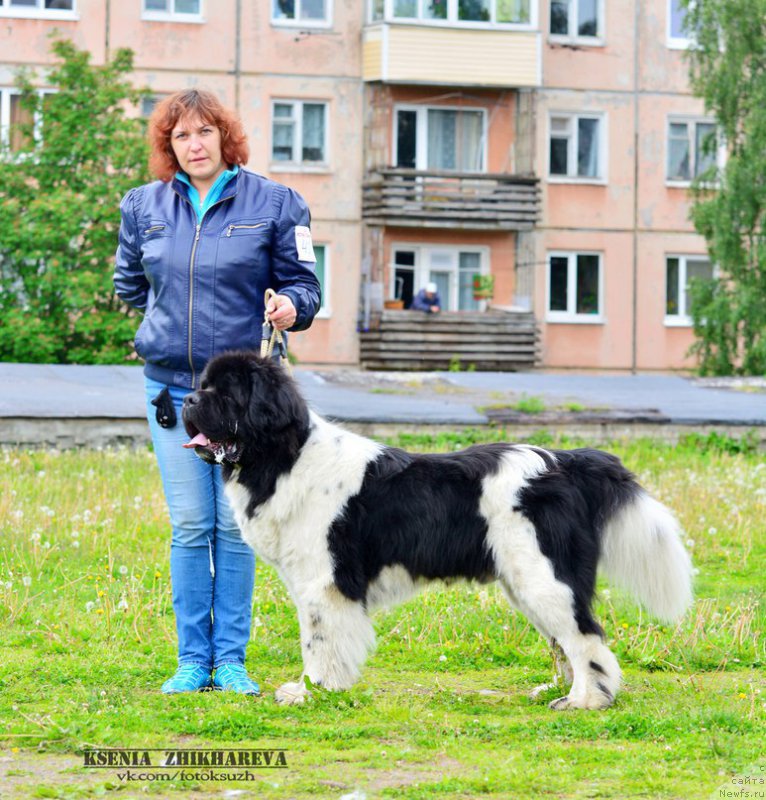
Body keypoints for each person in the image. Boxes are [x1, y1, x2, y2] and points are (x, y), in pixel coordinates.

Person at [114, 89, 321, 695]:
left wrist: (291, 306)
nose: (194, 144)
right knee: (190, 524)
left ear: (224, 138)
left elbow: (306, 286)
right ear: (168, 146)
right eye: (181, 136)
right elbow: (131, 282)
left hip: (243, 403)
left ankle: (230, 661)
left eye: (204, 132)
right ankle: (190, 662)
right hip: (171, 393)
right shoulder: (141, 206)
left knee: (234, 529)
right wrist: (161, 322)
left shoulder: (277, 203)